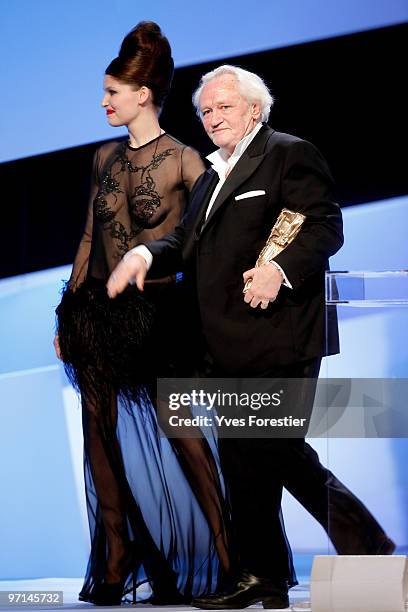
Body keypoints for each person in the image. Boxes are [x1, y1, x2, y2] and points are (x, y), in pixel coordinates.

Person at [107, 64, 395, 610]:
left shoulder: (288, 153)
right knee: (245, 464)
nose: (213, 118)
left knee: (274, 448)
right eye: (206, 111)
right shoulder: (213, 176)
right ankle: (263, 577)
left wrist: (279, 268)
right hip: (223, 344)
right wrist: (144, 252)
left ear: (254, 110)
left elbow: (323, 224)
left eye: (224, 107)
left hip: (279, 335)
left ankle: (363, 539)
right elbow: (186, 243)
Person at [54, 23, 235, 606]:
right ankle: (115, 557)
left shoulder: (186, 161)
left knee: (183, 434)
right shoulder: (103, 156)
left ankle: (231, 556)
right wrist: (67, 315)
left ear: (143, 94)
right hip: (97, 313)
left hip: (159, 312)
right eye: (104, 92)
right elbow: (89, 235)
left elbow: (200, 245)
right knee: (97, 435)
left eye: (113, 91)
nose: (105, 102)